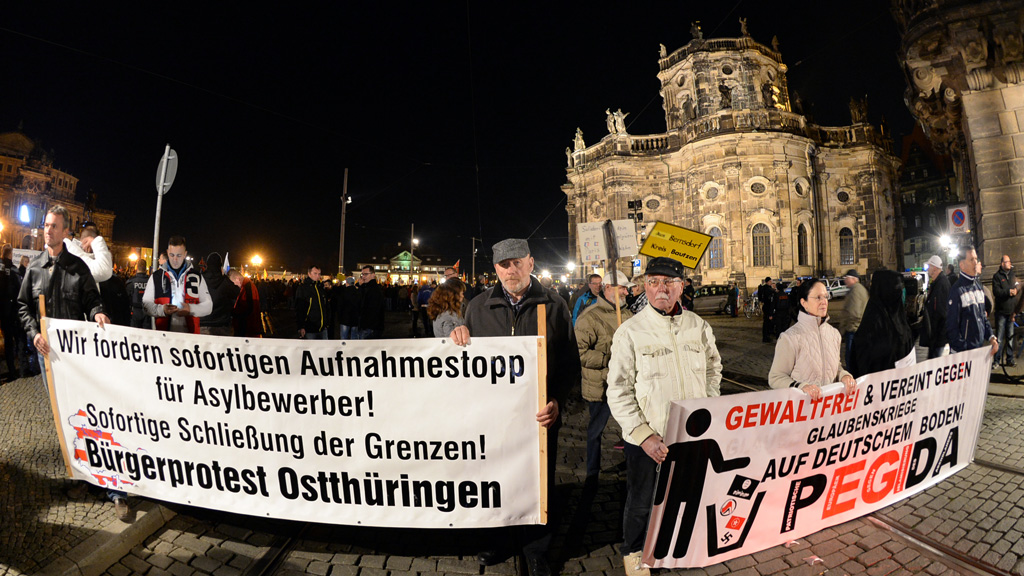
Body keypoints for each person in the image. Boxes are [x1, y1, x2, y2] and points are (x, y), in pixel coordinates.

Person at [449, 238, 580, 576]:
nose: (511, 270)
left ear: (531, 263)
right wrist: (455, 332)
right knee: (494, 476)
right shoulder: (478, 307)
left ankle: (536, 548)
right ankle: (498, 539)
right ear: (495, 269)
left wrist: (557, 401)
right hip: (493, 417)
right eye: (504, 265)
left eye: (517, 263)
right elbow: (463, 361)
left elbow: (569, 362)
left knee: (539, 483)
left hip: (540, 416)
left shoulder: (554, 304)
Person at [606, 257, 722, 576]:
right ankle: (634, 553)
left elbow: (714, 369)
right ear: (645, 286)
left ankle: (672, 548)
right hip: (647, 438)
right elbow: (617, 389)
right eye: (655, 281)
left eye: (669, 282)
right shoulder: (630, 331)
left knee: (682, 496)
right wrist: (643, 435)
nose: (662, 289)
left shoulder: (698, 327)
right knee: (642, 503)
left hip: (689, 435)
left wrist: (708, 408)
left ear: (681, 287)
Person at [17, 206, 120, 518]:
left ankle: (100, 477)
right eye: (46, 225)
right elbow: (23, 306)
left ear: (65, 232)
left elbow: (92, 300)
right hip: (47, 357)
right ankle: (79, 476)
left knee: (86, 415)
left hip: (77, 358)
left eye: (55, 226)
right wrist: (33, 333)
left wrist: (98, 312)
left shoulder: (78, 266)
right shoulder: (34, 267)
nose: (48, 230)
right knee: (65, 420)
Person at [575, 271, 634, 481]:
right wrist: (609, 358)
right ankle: (592, 471)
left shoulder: (628, 314)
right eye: (623, 287)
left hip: (625, 384)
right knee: (596, 431)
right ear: (608, 288)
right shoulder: (589, 317)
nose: (628, 292)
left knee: (631, 427)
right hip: (601, 385)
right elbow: (579, 353)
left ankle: (631, 463)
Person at [769, 278, 856, 398]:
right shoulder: (789, 338)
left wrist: (844, 375)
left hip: (830, 410)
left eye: (825, 297)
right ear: (804, 303)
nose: (824, 301)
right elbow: (775, 378)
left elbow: (835, 367)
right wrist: (800, 386)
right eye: (818, 297)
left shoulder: (834, 334)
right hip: (803, 411)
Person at [848, 270, 916, 377]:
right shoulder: (873, 322)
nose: (899, 291)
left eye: (900, 286)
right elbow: (862, 362)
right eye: (895, 286)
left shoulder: (899, 316)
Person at [143, 236, 212, 333]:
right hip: (164, 336)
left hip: (189, 337)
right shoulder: (156, 277)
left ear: (185, 254)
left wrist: (191, 309)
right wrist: (162, 310)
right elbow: (146, 304)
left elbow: (209, 306)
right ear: (167, 252)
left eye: (179, 255)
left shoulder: (197, 276)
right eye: (172, 255)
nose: (175, 259)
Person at [947, 246, 999, 357]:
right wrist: (965, 349)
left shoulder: (979, 286)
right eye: (971, 259)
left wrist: (991, 338)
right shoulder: (956, 290)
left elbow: (983, 317)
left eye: (976, 258)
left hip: (977, 352)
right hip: (963, 356)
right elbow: (952, 327)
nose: (976, 262)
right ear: (962, 265)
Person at [201, 253, 238, 336]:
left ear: (207, 264)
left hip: (202, 323)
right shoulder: (225, 282)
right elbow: (236, 294)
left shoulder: (199, 279)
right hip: (221, 325)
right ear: (220, 266)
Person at [0, 244, 23, 380]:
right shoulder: (14, 270)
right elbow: (20, 292)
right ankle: (12, 371)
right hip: (9, 312)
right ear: (11, 254)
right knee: (9, 341)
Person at [993, 255, 1018, 367]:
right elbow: (997, 292)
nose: (1010, 263)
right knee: (999, 337)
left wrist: (1016, 290)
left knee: (1010, 337)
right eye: (1007, 261)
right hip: (1001, 312)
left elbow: (1017, 285)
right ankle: (997, 360)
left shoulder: (1012, 274)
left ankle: (1009, 358)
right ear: (1002, 264)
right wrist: (1008, 292)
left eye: (1009, 261)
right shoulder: (997, 277)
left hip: (1011, 312)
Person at [923, 255, 951, 358]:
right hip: (935, 336)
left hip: (938, 336)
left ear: (934, 268)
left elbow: (941, 312)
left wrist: (935, 334)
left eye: (929, 266)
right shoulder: (938, 283)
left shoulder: (941, 284)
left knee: (935, 362)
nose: (928, 269)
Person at [840, 270, 868, 366]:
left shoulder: (855, 290)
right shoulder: (860, 289)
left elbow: (854, 313)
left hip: (853, 330)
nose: (845, 281)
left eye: (846, 278)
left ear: (853, 279)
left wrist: (845, 328)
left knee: (850, 359)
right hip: (858, 329)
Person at [293, 265, 329, 339]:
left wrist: (327, 322)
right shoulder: (303, 288)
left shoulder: (321, 288)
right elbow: (299, 308)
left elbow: (326, 307)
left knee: (324, 350)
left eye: (319, 274)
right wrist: (301, 326)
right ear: (309, 274)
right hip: (309, 328)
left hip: (323, 328)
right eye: (315, 273)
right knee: (310, 349)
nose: (317, 276)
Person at [227, 269, 263, 337]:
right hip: (248, 328)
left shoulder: (248, 287)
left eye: (233, 282)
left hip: (248, 329)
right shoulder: (247, 286)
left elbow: (248, 308)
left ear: (237, 279)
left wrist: (234, 313)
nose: (234, 285)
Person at [356, 266, 385, 339]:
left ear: (373, 274)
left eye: (366, 274)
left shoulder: (373, 289)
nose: (363, 277)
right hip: (368, 326)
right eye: (362, 274)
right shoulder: (367, 287)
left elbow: (363, 304)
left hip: (370, 327)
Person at [128, 259, 151, 329]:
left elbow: (127, 297)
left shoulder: (131, 281)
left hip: (135, 311)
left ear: (137, 267)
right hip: (148, 311)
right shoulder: (151, 281)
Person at [759, 277, 777, 342]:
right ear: (768, 282)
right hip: (767, 307)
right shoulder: (767, 288)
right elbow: (772, 292)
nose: (771, 282)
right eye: (770, 281)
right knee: (767, 322)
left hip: (766, 307)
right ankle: (766, 337)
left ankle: (767, 335)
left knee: (767, 322)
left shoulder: (765, 288)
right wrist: (775, 290)